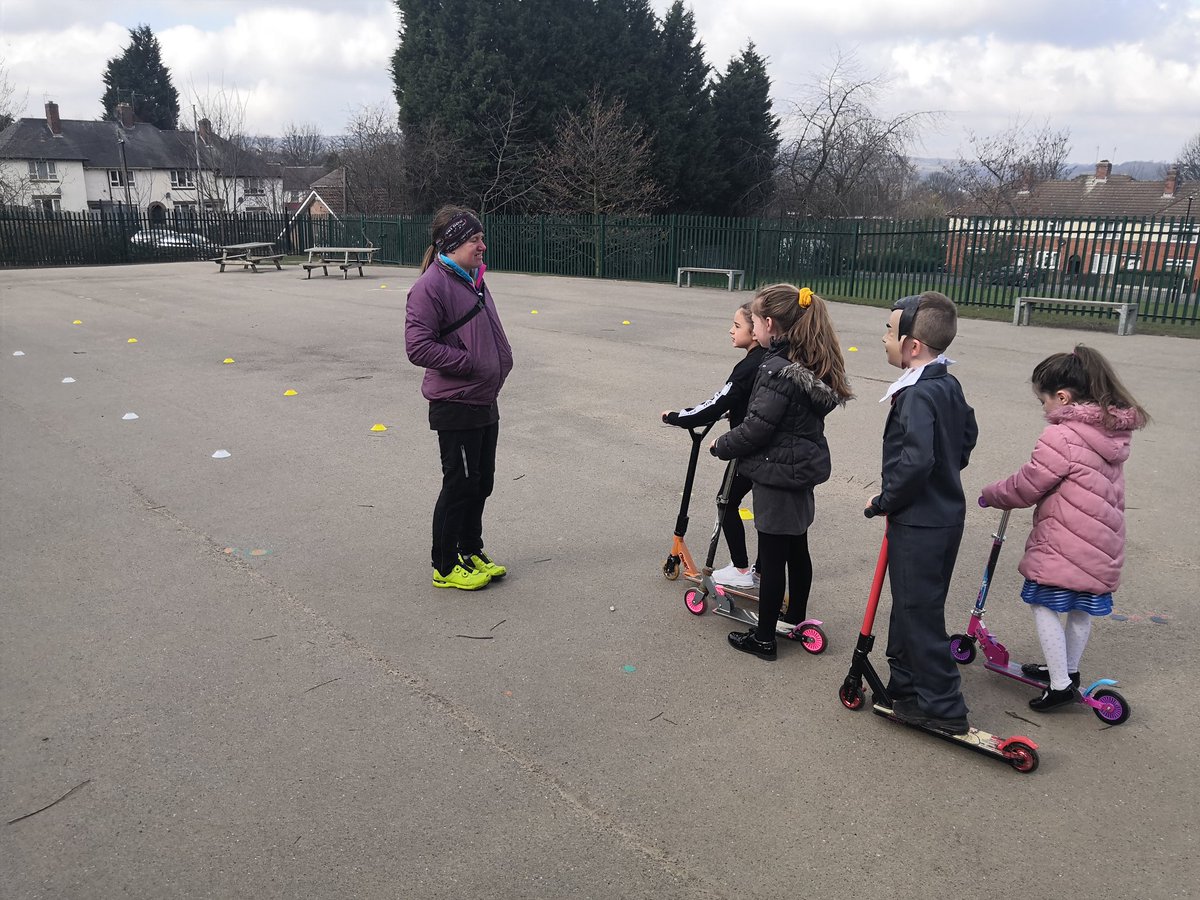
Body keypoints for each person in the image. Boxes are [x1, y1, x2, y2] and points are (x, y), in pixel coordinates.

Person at [979, 345, 1149, 711]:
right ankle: (1068, 672)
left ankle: (1058, 686)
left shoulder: (1062, 436)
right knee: (1080, 609)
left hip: (1064, 544)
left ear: (1061, 396)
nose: (1043, 410)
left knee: (1042, 604)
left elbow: (1029, 483)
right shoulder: (1111, 433)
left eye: (1043, 402)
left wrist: (992, 494)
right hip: (1101, 542)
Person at [712, 285, 853, 660]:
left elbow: (758, 427)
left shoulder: (777, 370)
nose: (753, 328)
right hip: (798, 472)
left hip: (776, 474)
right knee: (796, 549)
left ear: (770, 324)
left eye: (755, 321)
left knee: (773, 558)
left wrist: (721, 446)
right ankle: (795, 617)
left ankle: (763, 638)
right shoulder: (806, 364)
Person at [865, 291, 977, 734]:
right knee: (913, 605)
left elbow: (914, 463)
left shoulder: (916, 396)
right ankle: (906, 684)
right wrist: (949, 467)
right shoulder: (946, 383)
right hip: (943, 515)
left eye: (890, 332)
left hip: (920, 520)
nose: (884, 339)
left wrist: (885, 500)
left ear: (913, 345)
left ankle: (944, 705)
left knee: (920, 613)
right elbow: (967, 434)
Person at [405, 206, 513, 591]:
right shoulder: (430, 287)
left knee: (481, 482)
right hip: (456, 402)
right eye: (474, 240)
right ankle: (445, 564)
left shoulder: (473, 278)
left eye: (481, 238)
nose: (483, 246)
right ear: (451, 244)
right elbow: (418, 347)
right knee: (460, 484)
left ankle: (471, 550)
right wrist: (469, 363)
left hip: (484, 398)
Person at [661, 302, 766, 587]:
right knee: (767, 510)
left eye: (737, 326)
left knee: (727, 501)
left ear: (755, 331)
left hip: (750, 448)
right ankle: (760, 569)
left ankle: (743, 570)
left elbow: (716, 403)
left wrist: (677, 417)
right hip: (768, 448)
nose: (730, 331)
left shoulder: (748, 366)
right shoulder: (772, 359)